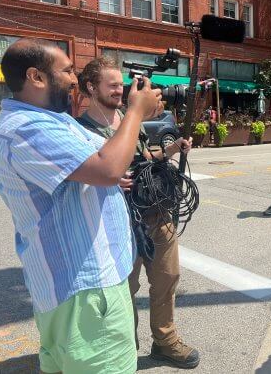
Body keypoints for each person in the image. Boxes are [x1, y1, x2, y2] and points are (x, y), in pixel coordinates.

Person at [0, 39, 162, 374]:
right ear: (36, 77)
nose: (74, 80)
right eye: (68, 70)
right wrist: (135, 111)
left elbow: (108, 157)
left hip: (74, 289)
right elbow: (107, 168)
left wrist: (136, 120)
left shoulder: (54, 120)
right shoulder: (27, 128)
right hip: (87, 290)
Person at [76, 57, 199, 369]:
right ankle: (125, 348)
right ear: (91, 87)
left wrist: (171, 150)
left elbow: (144, 156)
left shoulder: (127, 118)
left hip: (157, 212)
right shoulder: (82, 130)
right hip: (119, 224)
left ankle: (166, 342)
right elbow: (79, 177)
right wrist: (110, 178)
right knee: (124, 291)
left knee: (167, 278)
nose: (121, 90)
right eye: (113, 85)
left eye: (122, 84)